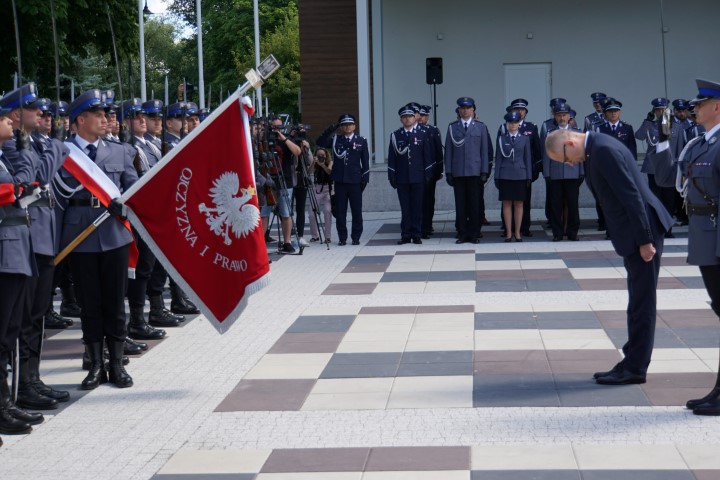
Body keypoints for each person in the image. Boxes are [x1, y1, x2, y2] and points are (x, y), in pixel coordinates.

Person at [545, 128, 673, 385]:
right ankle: (631, 360)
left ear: (570, 142)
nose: (570, 163)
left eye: (566, 158)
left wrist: (645, 240)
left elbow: (632, 197)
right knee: (637, 300)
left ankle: (636, 367)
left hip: (642, 233)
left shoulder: (602, 151)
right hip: (635, 234)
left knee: (642, 302)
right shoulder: (597, 149)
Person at [57, 89, 137, 389]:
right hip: (79, 236)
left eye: (106, 115)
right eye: (99, 115)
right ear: (80, 119)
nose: (106, 120)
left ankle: (116, 364)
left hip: (114, 234)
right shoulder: (63, 152)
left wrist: (125, 204)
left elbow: (133, 191)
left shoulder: (120, 151)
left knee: (115, 301)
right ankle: (94, 364)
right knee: (89, 303)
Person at [650, 78, 720, 415]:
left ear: (717, 107)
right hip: (706, 238)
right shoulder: (699, 144)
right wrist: (664, 141)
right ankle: (718, 389)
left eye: (701, 104)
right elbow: (667, 179)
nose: (694, 108)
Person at [1, 84, 70, 411]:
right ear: (18, 114)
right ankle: (22, 385)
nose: (44, 116)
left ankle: (32, 378)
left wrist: (52, 146)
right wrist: (54, 147)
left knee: (36, 314)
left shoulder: (33, 143)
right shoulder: (14, 147)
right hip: (25, 240)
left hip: (41, 236)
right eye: (37, 111)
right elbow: (38, 178)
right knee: (22, 317)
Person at [0, 101, 47, 436]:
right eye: (4, 118)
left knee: (9, 333)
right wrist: (16, 190)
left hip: (16, 249)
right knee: (2, 334)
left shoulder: (5, 154)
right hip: (5, 252)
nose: (9, 122)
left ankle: (5, 403)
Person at [316, 114, 369, 246]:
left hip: (355, 181)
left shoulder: (361, 140)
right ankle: (342, 237)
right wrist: (330, 129)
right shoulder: (335, 139)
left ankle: (356, 237)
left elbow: (365, 162)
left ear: (354, 126)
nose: (347, 127)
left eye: (350, 124)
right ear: (341, 127)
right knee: (340, 211)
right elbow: (320, 142)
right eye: (344, 125)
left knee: (356, 211)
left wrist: (365, 179)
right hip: (340, 181)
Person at [445, 97, 491, 244]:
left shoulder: (481, 127)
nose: (465, 110)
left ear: (473, 110)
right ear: (459, 110)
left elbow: (484, 151)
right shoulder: (452, 127)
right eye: (462, 108)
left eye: (468, 108)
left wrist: (484, 171)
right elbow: (449, 152)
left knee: (474, 204)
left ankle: (474, 233)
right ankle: (462, 233)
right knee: (461, 204)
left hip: (475, 172)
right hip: (458, 172)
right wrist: (449, 172)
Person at [635, 97, 681, 238]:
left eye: (663, 109)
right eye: (658, 110)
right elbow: (639, 135)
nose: (661, 112)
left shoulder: (676, 126)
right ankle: (656, 227)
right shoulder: (650, 125)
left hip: (669, 167)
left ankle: (668, 229)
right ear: (654, 111)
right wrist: (647, 121)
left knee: (669, 200)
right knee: (655, 199)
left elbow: (679, 148)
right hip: (653, 167)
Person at [388, 104, 433, 244]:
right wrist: (392, 176)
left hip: (418, 177)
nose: (407, 119)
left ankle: (417, 234)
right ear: (401, 119)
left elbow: (427, 156)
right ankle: (406, 234)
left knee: (417, 207)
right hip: (402, 178)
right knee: (405, 208)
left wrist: (428, 173)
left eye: (410, 116)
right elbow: (392, 158)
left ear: (415, 118)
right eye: (404, 117)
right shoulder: (396, 135)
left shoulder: (422, 133)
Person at [500, 99, 541, 237]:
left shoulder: (531, 127)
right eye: (516, 109)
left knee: (524, 201)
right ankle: (507, 228)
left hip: (524, 170)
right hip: (507, 172)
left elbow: (536, 150)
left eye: (522, 110)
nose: (519, 112)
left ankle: (524, 227)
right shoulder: (503, 127)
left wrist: (536, 169)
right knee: (507, 202)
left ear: (526, 112)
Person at [543, 103, 584, 241]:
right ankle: (557, 233)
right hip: (555, 174)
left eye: (564, 114)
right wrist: (547, 173)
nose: (562, 117)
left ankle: (573, 232)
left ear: (569, 116)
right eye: (559, 115)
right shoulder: (550, 133)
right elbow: (547, 154)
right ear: (555, 116)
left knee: (573, 205)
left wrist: (581, 172)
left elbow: (581, 153)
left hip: (572, 173)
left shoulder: (577, 132)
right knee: (556, 206)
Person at [494, 111, 532, 242]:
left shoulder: (525, 139)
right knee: (506, 204)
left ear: (519, 124)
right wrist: (496, 176)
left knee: (519, 204)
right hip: (505, 174)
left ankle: (518, 232)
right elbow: (498, 159)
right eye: (510, 123)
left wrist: (529, 176)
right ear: (507, 124)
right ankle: (509, 232)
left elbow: (527, 159)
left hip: (520, 174)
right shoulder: (501, 139)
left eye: (515, 122)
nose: (513, 125)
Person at [418, 105, 443, 239]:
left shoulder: (433, 130)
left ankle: (427, 225)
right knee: (418, 200)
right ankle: (419, 225)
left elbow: (438, 151)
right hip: (416, 171)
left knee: (428, 200)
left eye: (423, 115)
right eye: (419, 115)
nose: (420, 117)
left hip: (430, 170)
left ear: (427, 116)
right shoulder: (414, 130)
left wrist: (439, 170)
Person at [308, 147, 333, 243]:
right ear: (316, 156)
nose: (321, 157)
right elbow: (309, 171)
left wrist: (322, 165)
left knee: (327, 211)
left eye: (323, 155)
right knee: (311, 213)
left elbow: (329, 172)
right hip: (317, 189)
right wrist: (314, 162)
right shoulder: (316, 163)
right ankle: (315, 236)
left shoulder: (330, 162)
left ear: (326, 155)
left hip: (328, 189)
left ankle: (328, 237)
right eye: (319, 155)